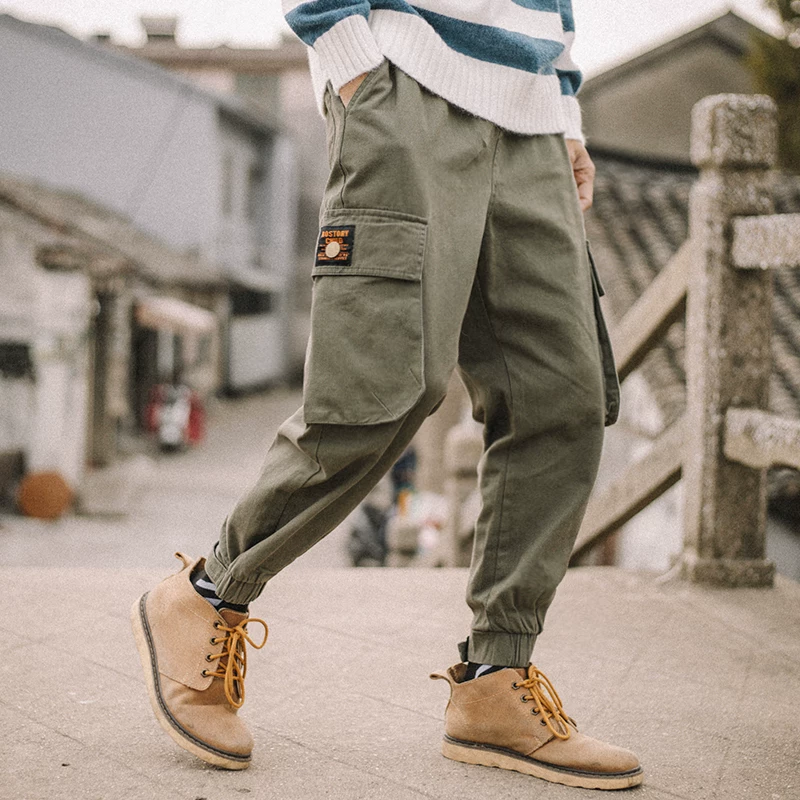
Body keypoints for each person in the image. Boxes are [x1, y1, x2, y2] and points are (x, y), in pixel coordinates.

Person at [130, 0, 641, 790]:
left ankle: (495, 680)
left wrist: (565, 107)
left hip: (535, 113)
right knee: (385, 386)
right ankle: (208, 594)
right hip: (405, 80)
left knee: (563, 397)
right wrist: (351, 58)